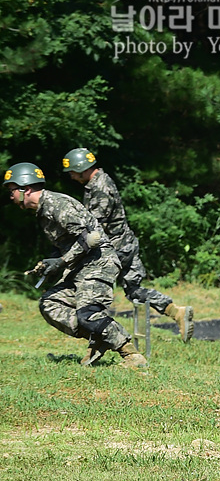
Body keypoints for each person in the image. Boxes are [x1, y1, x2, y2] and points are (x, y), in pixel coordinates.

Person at [5, 162, 147, 368]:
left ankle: (131, 355)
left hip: (98, 262)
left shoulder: (57, 204)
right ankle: (98, 335)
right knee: (50, 304)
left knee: (87, 313)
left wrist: (61, 262)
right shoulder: (44, 212)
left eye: (11, 192)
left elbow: (91, 239)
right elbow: (66, 243)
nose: (10, 197)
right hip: (79, 266)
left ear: (24, 189)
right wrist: (50, 263)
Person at [62, 148, 193, 341]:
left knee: (92, 290)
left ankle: (101, 338)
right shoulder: (99, 182)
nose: (71, 176)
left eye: (73, 171)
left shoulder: (99, 189)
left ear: (82, 168)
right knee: (134, 290)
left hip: (114, 249)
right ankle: (176, 312)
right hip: (125, 244)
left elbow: (95, 228)